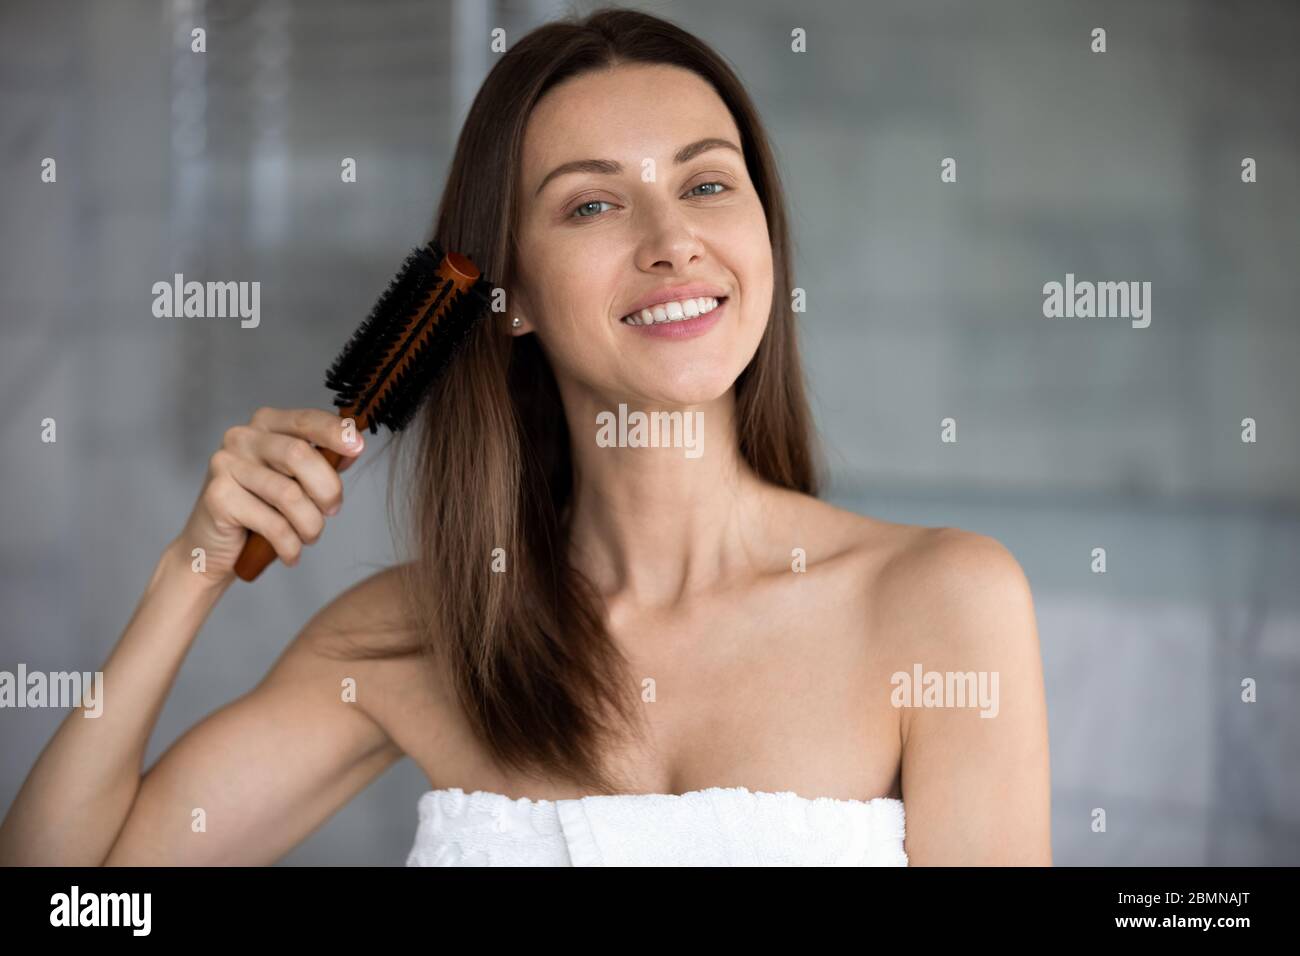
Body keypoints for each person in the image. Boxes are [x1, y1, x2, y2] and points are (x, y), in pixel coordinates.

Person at [0, 7, 1050, 866]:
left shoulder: (941, 604)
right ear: (507, 298)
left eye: (706, 184)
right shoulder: (421, 636)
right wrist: (189, 572)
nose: (673, 240)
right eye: (592, 205)